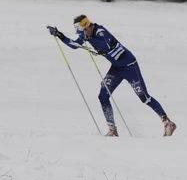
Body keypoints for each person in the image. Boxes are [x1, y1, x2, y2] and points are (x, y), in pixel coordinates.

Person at [47, 15, 176, 137]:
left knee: (144, 97)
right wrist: (59, 35)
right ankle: (112, 130)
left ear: (87, 26)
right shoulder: (86, 34)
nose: (81, 35)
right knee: (103, 95)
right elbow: (75, 45)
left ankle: (167, 122)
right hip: (117, 68)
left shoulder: (100, 31)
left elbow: (106, 45)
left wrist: (89, 39)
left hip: (130, 66)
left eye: (82, 31)